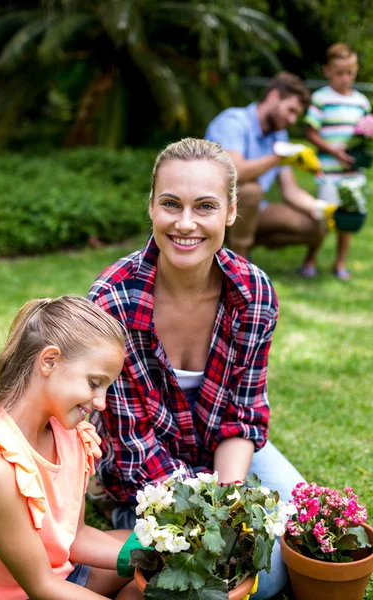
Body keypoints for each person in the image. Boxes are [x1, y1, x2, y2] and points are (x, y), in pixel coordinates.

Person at [87, 138, 304, 599]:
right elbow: (133, 444)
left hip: (221, 446)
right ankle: (122, 515)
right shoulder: (112, 301)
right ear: (151, 206)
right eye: (171, 204)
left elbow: (242, 416)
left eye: (204, 206)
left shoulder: (254, 293)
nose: (185, 224)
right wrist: (206, 524)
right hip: (147, 472)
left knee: (290, 546)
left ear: (230, 210)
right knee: (237, 579)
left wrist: (228, 506)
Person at [0, 295, 143, 600]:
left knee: (144, 556)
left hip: (65, 576)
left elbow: (75, 538)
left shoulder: (69, 431)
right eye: (94, 383)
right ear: (49, 361)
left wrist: (155, 559)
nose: (101, 403)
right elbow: (41, 586)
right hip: (28, 592)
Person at [204, 72, 327, 276]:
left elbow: (290, 190)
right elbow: (235, 172)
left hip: (251, 212)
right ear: (273, 96)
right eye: (291, 110)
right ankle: (237, 269)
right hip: (213, 208)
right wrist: (279, 157)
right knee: (251, 190)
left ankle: (240, 246)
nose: (292, 119)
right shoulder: (233, 121)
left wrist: (322, 208)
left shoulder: (279, 134)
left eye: (296, 115)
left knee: (315, 223)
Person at [305, 43, 371, 279]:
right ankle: (310, 260)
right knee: (323, 219)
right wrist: (334, 152)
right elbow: (310, 132)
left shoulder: (362, 102)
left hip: (352, 173)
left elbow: (365, 134)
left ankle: (340, 263)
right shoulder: (321, 98)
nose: (345, 78)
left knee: (348, 218)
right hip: (328, 171)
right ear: (327, 71)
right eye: (339, 72)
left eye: (350, 73)